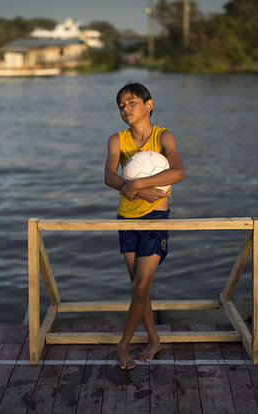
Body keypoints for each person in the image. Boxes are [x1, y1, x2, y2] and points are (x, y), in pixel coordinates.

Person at [104, 82, 185, 370]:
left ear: (148, 105)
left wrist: (139, 183)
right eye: (121, 106)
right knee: (139, 289)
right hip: (126, 219)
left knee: (139, 287)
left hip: (154, 220)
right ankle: (154, 340)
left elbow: (178, 172)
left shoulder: (164, 137)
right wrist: (136, 191)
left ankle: (122, 346)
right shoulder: (118, 140)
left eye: (131, 102)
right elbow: (109, 177)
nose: (125, 109)